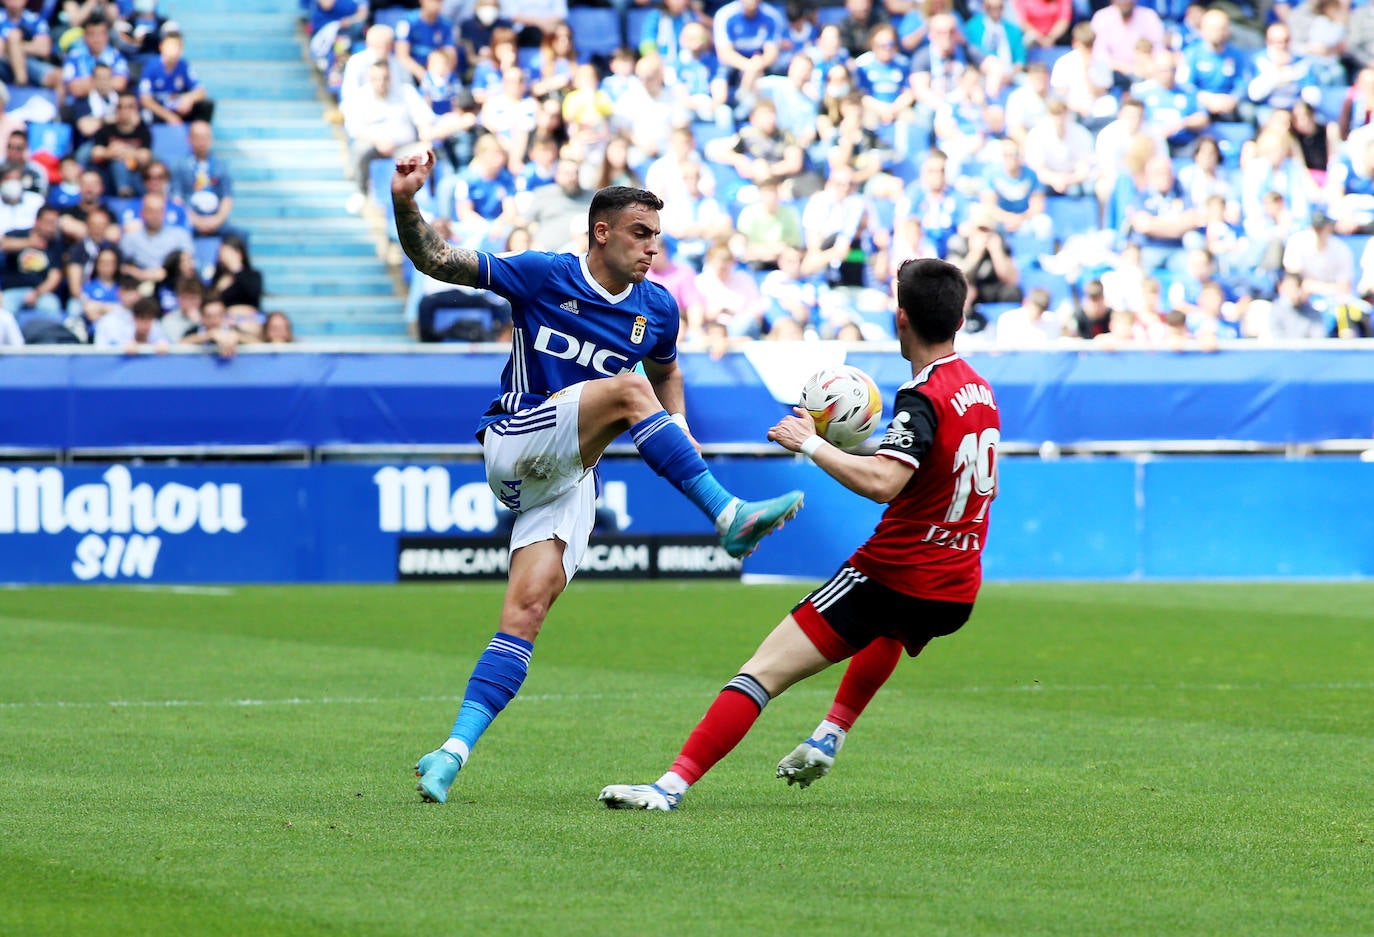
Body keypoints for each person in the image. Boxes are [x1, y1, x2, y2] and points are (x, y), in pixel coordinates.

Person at [391, 149, 806, 805]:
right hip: (515, 439)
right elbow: (438, 260)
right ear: (602, 231)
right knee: (622, 388)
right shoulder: (542, 275)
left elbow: (666, 368)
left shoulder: (658, 307)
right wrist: (406, 201)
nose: (652, 248)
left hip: (565, 475)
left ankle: (450, 751)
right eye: (641, 234)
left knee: (526, 611)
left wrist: (678, 421)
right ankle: (727, 514)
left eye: (658, 237)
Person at [599, 257, 1000, 811]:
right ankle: (829, 734)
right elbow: (925, 466)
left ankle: (669, 787)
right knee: (891, 628)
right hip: (955, 587)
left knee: (761, 672)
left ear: (900, 318)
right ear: (959, 317)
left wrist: (808, 443)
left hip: (895, 573)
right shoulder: (980, 390)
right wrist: (846, 445)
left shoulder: (922, 396)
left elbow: (887, 481)